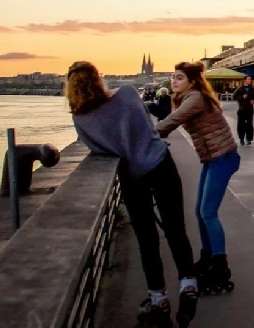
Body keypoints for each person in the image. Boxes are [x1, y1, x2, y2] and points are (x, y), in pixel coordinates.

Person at [65, 61, 197, 327]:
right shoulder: (126, 93)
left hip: (132, 177)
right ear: (98, 78)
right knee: (175, 229)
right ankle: (188, 284)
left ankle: (158, 300)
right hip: (160, 164)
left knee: (147, 240)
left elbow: (98, 148)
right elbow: (147, 125)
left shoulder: (80, 118)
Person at [156, 62, 240, 296]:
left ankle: (220, 265)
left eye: (179, 77)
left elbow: (173, 120)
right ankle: (207, 257)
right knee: (199, 211)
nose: (174, 81)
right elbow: (171, 117)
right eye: (172, 77)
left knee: (208, 213)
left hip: (223, 157)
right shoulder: (188, 97)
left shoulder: (194, 98)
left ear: (191, 82)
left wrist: (151, 135)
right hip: (213, 159)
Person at [233, 76, 254, 146]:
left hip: (250, 109)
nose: (250, 80)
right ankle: (241, 138)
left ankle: (248, 139)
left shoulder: (252, 89)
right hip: (242, 109)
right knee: (241, 125)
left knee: (249, 125)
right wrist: (242, 97)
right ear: (244, 80)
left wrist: (253, 101)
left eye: (250, 79)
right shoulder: (240, 89)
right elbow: (234, 97)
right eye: (248, 79)